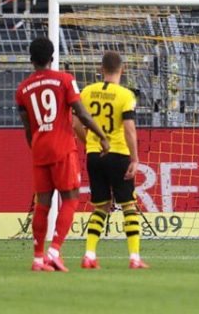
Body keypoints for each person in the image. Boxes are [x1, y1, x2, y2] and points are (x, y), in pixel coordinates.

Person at [15, 36, 110, 272]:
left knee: (43, 204)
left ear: (31, 60)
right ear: (52, 58)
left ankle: (38, 259)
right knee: (70, 198)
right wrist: (101, 136)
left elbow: (28, 128)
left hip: (39, 149)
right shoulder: (65, 80)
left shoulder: (22, 90)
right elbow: (83, 115)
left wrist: (35, 149)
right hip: (62, 147)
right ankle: (55, 251)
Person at [73, 51, 147, 269]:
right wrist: (134, 158)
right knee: (129, 206)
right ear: (121, 70)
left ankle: (89, 254)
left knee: (101, 207)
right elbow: (129, 128)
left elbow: (75, 123)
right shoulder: (125, 95)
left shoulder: (87, 92)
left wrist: (89, 143)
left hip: (94, 155)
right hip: (118, 154)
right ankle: (134, 258)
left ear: (101, 69)